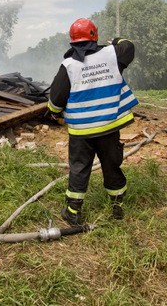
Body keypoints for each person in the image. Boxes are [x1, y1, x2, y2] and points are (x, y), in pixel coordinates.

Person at [47, 18, 138, 224]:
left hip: (82, 131)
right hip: (109, 126)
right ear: (94, 36)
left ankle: (72, 211)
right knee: (111, 165)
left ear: (72, 40)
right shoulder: (112, 54)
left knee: (79, 167)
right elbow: (129, 47)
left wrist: (54, 112)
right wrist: (116, 40)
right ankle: (117, 207)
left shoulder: (68, 65)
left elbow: (56, 98)